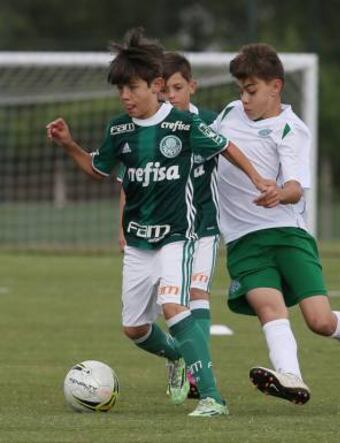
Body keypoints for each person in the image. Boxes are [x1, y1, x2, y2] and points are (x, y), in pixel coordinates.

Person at [46, 29, 276, 417]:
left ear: (156, 86)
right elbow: (98, 171)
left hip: (180, 236)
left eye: (132, 87)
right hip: (139, 243)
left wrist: (257, 179)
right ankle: (178, 356)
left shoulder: (184, 126)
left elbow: (226, 147)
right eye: (120, 90)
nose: (125, 97)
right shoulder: (119, 129)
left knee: (174, 303)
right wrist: (70, 144)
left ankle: (212, 397)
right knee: (134, 329)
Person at [212, 43, 340, 405]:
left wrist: (278, 193)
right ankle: (291, 376)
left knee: (319, 321)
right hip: (243, 239)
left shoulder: (291, 129)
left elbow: (295, 188)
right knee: (268, 308)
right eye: (241, 90)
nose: (244, 99)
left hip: (288, 235)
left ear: (276, 86)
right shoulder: (227, 113)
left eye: (251, 90)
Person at [118, 51, 220, 399]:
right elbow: (131, 180)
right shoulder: (148, 128)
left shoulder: (206, 121)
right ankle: (184, 360)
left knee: (194, 294)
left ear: (191, 86)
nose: (171, 96)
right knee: (141, 321)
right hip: (157, 230)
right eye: (167, 90)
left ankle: (200, 380)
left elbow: (232, 157)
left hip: (202, 227)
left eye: (178, 88)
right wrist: (121, 227)